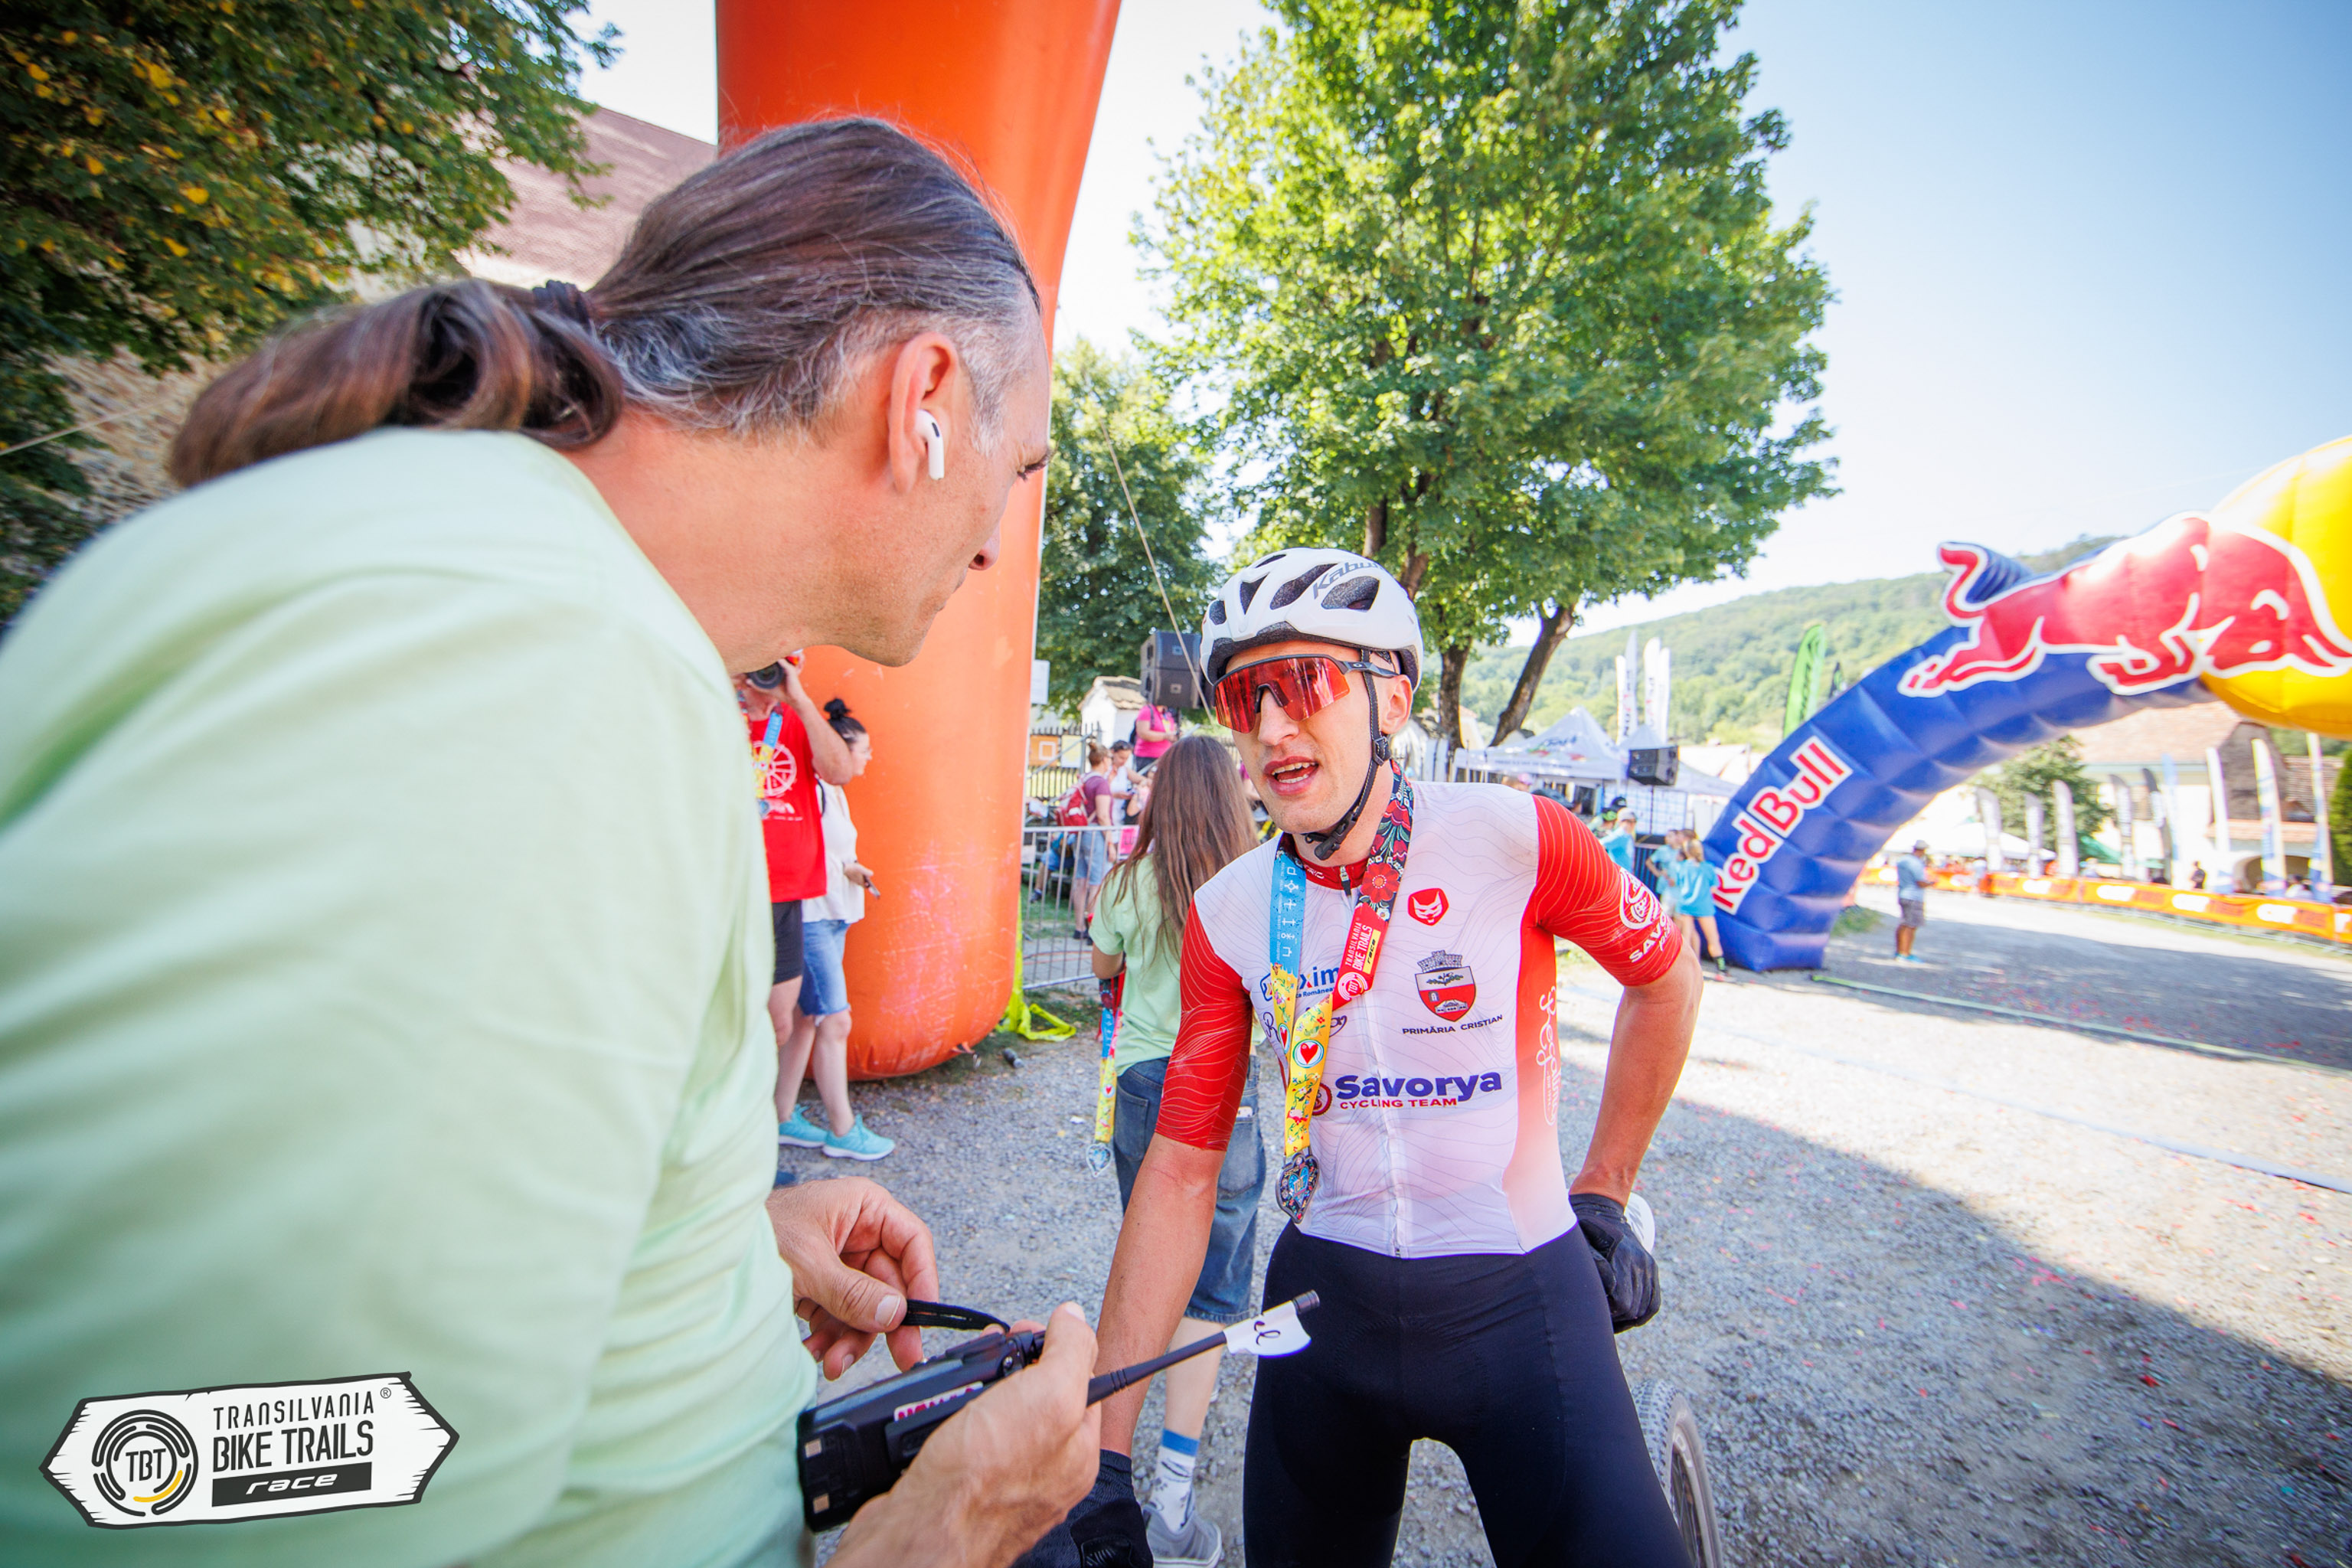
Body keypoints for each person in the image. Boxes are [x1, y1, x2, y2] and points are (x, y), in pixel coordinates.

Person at [0, 119, 1106, 1566]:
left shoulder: (508, 592)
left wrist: (695, 1255)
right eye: (1018, 472)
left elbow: (343, 1398)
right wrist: (941, 1535)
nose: (997, 542)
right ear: (926, 402)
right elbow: (203, 1499)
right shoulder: (549, 669)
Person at [1068, 548, 1703, 1567]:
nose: (1273, 725)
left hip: (1524, 1296)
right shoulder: (1229, 911)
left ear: (1393, 699)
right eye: (1243, 697)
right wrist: (1101, 1462)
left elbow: (1666, 978)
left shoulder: (1515, 836)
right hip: (1328, 1314)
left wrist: (1606, 1190)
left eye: (1305, 682)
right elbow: (1182, 1170)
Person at [1083, 735, 1263, 1568]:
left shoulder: (1128, 880)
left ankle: (1104, 1479)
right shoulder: (1255, 882)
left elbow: (1104, 962)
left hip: (1143, 1080)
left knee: (1148, 1274)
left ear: (1159, 799)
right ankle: (1172, 1505)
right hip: (1222, 1089)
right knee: (1215, 1293)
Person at [738, 658, 859, 1146]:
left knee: (778, 1025)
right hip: (729, 893)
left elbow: (840, 770)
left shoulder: (795, 719)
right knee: (719, 1023)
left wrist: (800, 699)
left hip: (786, 897)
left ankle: (752, 1134)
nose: (765, 675)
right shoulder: (715, 711)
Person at [779, 697, 893, 1161]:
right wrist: (844, 869)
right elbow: (801, 853)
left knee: (808, 1018)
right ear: (842, 751)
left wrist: (850, 868)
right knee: (834, 1019)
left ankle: (781, 1115)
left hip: (830, 914)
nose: (869, 757)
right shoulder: (816, 789)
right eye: (863, 750)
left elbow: (827, 852)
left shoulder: (834, 792)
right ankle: (842, 1129)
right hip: (813, 916)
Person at [1073, 740, 1117, 937]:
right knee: (1096, 882)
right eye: (1110, 758)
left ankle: (1079, 927)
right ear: (1104, 760)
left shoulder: (1084, 778)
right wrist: (1110, 843)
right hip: (1096, 834)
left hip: (1081, 832)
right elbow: (1103, 816)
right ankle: (1093, 929)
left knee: (1081, 880)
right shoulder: (1100, 783)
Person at [1674, 836, 1729, 978]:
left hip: (1685, 905)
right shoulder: (1708, 867)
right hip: (1704, 906)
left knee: (1686, 936)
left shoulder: (1682, 866)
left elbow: (1679, 883)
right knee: (1713, 938)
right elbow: (1714, 887)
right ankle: (1721, 968)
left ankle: (1684, 968)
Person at [1893, 839, 1931, 961]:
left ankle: (1899, 951)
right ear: (1923, 850)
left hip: (1903, 894)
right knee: (1911, 926)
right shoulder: (1916, 863)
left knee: (1904, 924)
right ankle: (1905, 953)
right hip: (1914, 896)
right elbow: (1920, 882)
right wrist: (1931, 883)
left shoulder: (1903, 860)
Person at [1132, 701, 1179, 772]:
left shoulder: (1167, 713)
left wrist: (1175, 736)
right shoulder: (1147, 710)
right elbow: (1143, 733)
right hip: (1147, 757)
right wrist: (1165, 736)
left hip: (1164, 756)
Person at [1600, 805, 1642, 875]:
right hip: (1617, 875)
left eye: (1634, 821)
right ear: (1620, 822)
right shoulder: (1620, 835)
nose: (1632, 824)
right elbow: (1600, 844)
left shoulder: (1628, 836)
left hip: (1625, 875)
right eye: (1629, 822)